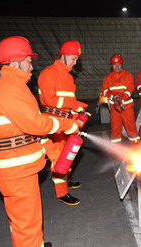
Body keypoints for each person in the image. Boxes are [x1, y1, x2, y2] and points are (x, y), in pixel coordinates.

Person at [0, 36, 81, 247]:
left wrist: (49, 151)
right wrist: (66, 125)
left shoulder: (14, 86)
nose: (31, 65)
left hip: (19, 166)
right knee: (26, 223)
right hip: (15, 169)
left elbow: (27, 132)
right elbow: (35, 124)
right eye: (29, 60)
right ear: (15, 61)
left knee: (27, 220)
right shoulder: (9, 88)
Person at [38, 40, 87, 206]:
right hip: (54, 123)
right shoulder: (48, 73)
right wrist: (74, 104)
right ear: (64, 56)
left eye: (76, 59)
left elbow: (68, 102)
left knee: (69, 154)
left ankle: (66, 181)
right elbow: (49, 100)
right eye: (73, 58)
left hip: (67, 121)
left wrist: (77, 114)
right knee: (58, 159)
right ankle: (62, 192)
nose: (75, 62)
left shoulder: (68, 77)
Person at [100, 54, 140, 144]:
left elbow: (130, 87)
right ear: (111, 66)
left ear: (122, 65)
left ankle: (135, 147)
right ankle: (117, 149)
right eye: (115, 64)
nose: (117, 66)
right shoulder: (107, 78)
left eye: (119, 64)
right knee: (115, 129)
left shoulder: (128, 75)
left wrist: (123, 97)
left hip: (126, 106)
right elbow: (104, 90)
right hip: (114, 107)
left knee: (131, 127)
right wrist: (113, 96)